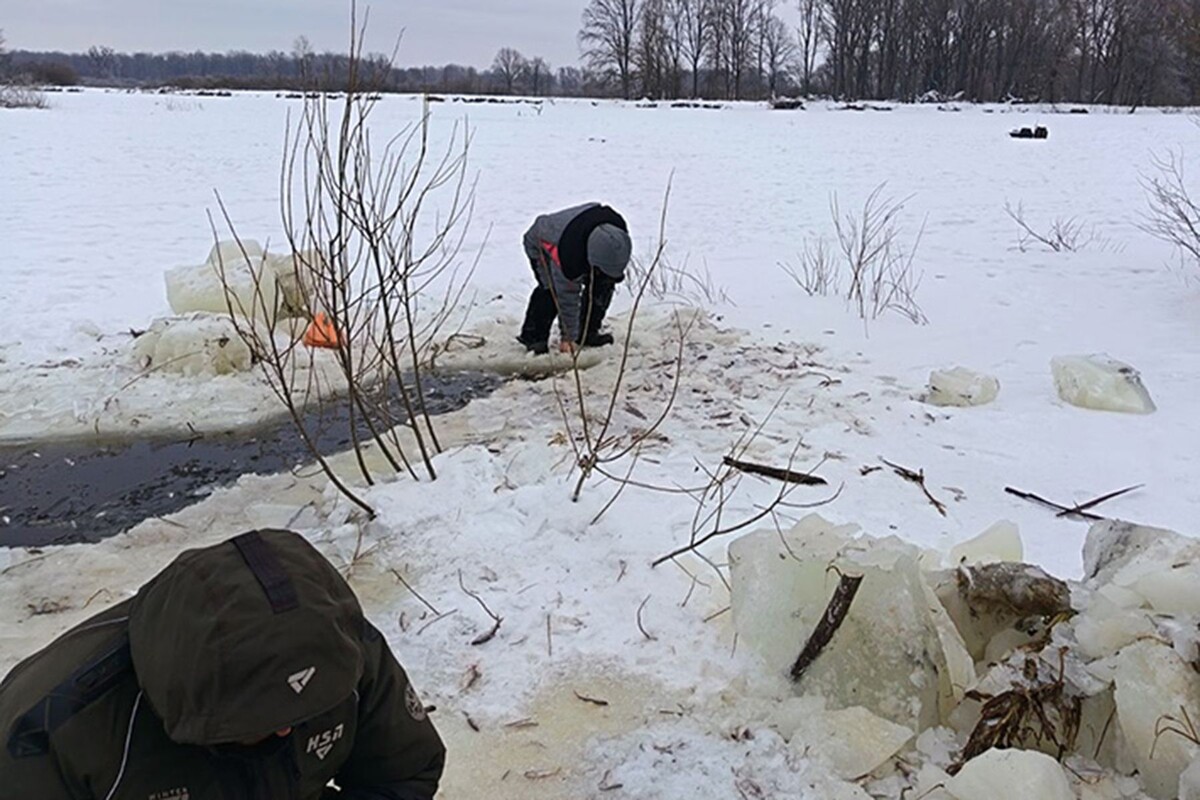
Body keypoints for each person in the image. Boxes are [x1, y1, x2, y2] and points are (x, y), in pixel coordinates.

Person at [0, 529, 445, 800]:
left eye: (301, 714)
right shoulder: (46, 735)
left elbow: (404, 772)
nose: (288, 731)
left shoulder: (339, 652)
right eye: (261, 719)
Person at [518, 202, 633, 354]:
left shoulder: (617, 236)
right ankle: (534, 337)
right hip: (542, 243)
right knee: (550, 290)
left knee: (603, 284)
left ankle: (587, 333)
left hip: (581, 236)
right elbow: (567, 297)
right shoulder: (569, 256)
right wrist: (568, 338)